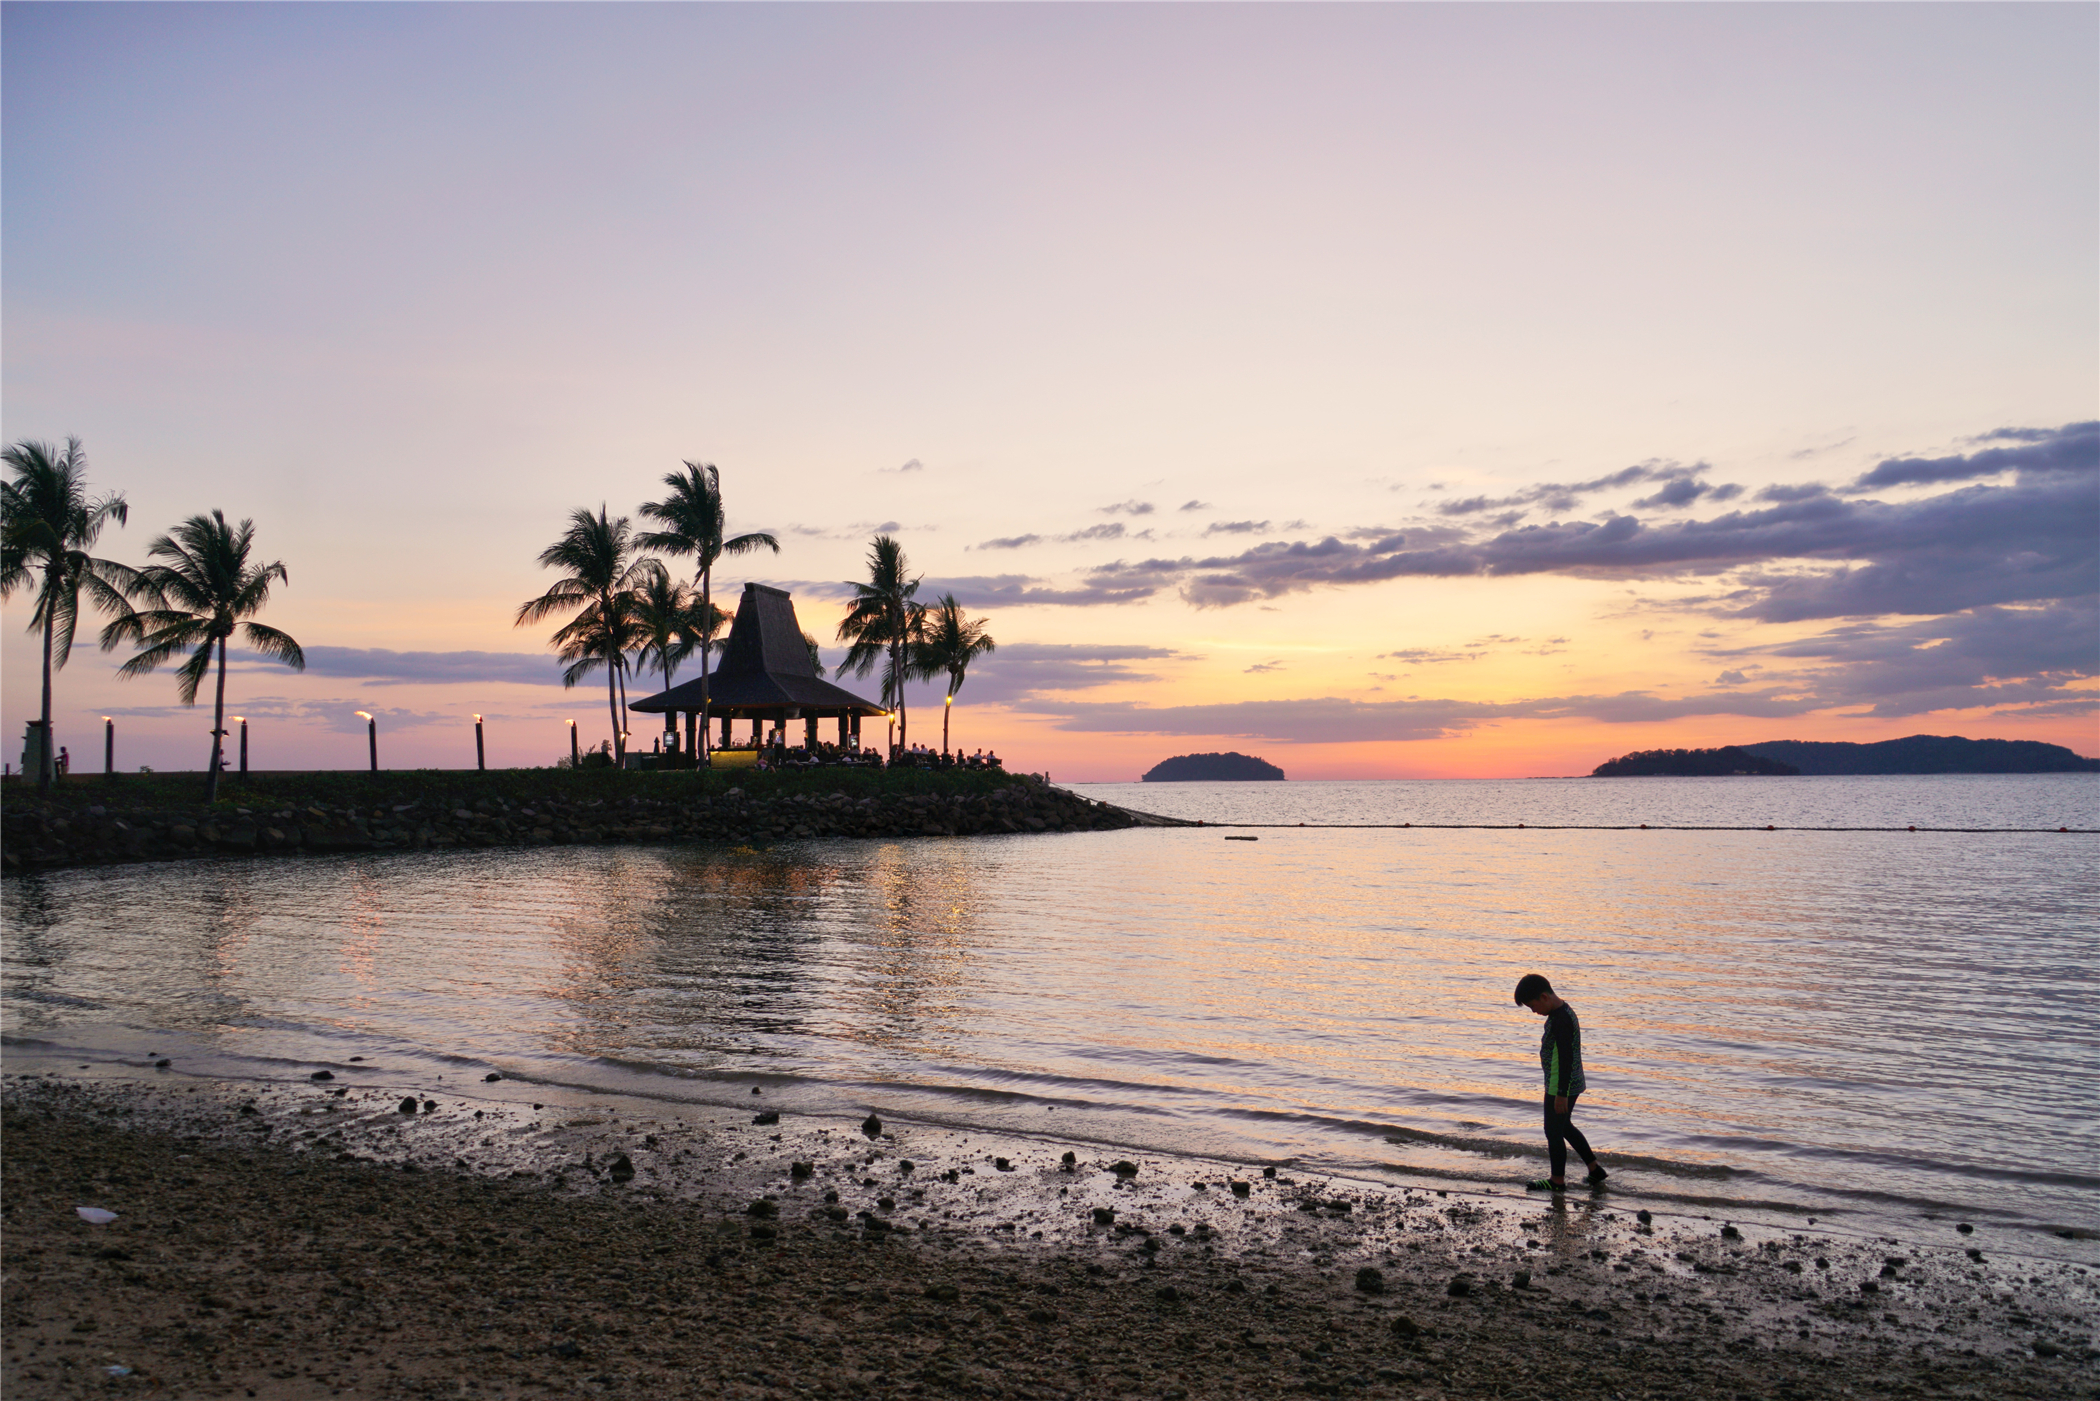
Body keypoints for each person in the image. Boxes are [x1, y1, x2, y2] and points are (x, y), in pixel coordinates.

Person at [1514, 973, 1606, 1192]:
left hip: (1561, 1085)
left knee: (1553, 1131)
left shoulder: (1561, 1021)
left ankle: (1557, 1181)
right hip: (1566, 1083)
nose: (1533, 1011)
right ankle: (1595, 1170)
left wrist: (1560, 1093)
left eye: (1532, 1006)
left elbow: (1565, 1058)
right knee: (1563, 1127)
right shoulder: (1561, 1013)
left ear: (1544, 997)